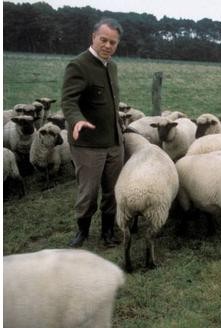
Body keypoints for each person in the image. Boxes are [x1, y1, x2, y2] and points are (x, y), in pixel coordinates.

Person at [62, 18, 124, 248]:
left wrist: (120, 126)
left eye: (113, 42)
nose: (108, 46)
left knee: (113, 191)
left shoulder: (113, 66)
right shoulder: (78, 65)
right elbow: (69, 102)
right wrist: (76, 120)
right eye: (103, 40)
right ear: (93, 37)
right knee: (88, 193)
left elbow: (111, 102)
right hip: (87, 144)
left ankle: (108, 232)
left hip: (114, 142)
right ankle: (82, 232)